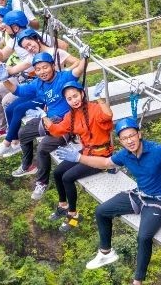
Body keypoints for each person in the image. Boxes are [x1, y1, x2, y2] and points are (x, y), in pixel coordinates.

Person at [76, 118, 161, 285]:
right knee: (101, 211)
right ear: (121, 141)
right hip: (140, 195)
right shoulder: (125, 155)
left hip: (160, 201)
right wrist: (78, 158)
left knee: (143, 237)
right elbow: (106, 163)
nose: (129, 140)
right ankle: (106, 252)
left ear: (139, 134)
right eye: (125, 138)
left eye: (132, 135)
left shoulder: (159, 151)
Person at [6, 51, 88, 200]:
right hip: (48, 119)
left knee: (43, 147)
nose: (42, 72)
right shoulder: (38, 84)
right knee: (23, 133)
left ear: (52, 66)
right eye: (38, 69)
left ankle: (41, 182)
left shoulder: (64, 77)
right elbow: (18, 91)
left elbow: (79, 69)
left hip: (66, 124)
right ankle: (27, 166)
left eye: (45, 67)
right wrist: (4, 78)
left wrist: (84, 57)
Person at [45, 79, 114, 230]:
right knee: (57, 172)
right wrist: (43, 117)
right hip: (86, 152)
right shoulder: (72, 116)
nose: (74, 101)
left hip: (101, 156)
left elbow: (108, 116)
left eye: (75, 96)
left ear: (82, 94)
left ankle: (73, 215)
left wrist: (99, 98)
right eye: (69, 99)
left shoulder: (95, 109)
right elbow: (57, 130)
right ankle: (63, 205)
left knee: (67, 177)